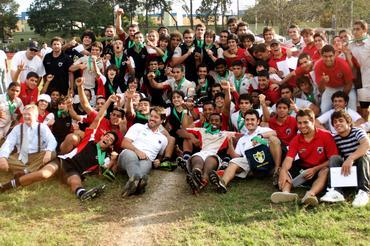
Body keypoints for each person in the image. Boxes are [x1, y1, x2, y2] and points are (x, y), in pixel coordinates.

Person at [271, 109, 338, 206]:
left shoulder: (326, 135)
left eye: (305, 122)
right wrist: (283, 171)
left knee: (325, 171)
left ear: (313, 121)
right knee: (286, 170)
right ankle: (285, 193)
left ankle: (310, 195)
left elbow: (333, 159)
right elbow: (289, 158)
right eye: (299, 123)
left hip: (319, 169)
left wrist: (314, 169)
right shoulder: (296, 139)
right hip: (304, 168)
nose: (302, 126)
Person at [59, 95, 120, 201]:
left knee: (75, 181)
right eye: (107, 136)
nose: (108, 139)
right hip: (66, 160)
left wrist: (113, 161)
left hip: (76, 171)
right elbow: (97, 118)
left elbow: (105, 175)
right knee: (43, 173)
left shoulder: (105, 156)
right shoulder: (91, 140)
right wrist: (109, 101)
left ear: (111, 145)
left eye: (110, 140)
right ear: (102, 136)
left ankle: (82, 193)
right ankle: (21, 178)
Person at [209, 109, 281, 193]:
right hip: (252, 164)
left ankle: (277, 170)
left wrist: (260, 137)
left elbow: (275, 133)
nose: (249, 122)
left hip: (268, 161)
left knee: (274, 139)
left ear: (258, 121)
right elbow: (236, 157)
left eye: (252, 119)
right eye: (247, 120)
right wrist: (230, 144)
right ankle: (222, 184)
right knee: (233, 162)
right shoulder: (242, 139)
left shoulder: (263, 130)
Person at [0, 104, 58, 193]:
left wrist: (48, 152)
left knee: (53, 153)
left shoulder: (42, 127)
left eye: (29, 114)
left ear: (35, 116)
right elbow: (8, 143)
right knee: (3, 158)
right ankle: (29, 171)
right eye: (24, 114)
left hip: (38, 155)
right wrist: (3, 157)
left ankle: (23, 172)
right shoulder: (17, 128)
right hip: (21, 156)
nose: (26, 116)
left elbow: (52, 141)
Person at [319, 110, 369, 207]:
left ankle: (363, 192)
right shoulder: (335, 138)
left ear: (348, 122)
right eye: (335, 122)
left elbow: (366, 145)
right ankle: (336, 191)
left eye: (341, 121)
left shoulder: (357, 131)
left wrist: (350, 158)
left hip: (364, 165)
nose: (337, 123)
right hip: (349, 170)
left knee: (363, 157)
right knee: (334, 158)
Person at [118, 106, 168, 197]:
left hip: (146, 159)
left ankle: (135, 185)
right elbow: (124, 143)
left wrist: (159, 160)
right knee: (131, 156)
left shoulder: (163, 139)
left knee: (146, 164)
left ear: (162, 121)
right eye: (151, 116)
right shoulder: (137, 126)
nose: (152, 118)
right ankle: (138, 182)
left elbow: (160, 155)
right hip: (129, 154)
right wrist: (137, 151)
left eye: (156, 117)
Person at [314, 44, 356, 113]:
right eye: (325, 56)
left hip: (345, 87)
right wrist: (322, 81)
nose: (328, 59)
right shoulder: (318, 66)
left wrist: (341, 98)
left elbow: (349, 83)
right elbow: (321, 90)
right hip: (329, 88)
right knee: (324, 110)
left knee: (352, 109)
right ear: (321, 56)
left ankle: (354, 123)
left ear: (335, 55)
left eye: (330, 56)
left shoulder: (343, 64)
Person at [349, 20, 370, 119]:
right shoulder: (351, 45)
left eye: (358, 29)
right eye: (354, 29)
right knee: (360, 110)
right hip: (357, 81)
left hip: (368, 80)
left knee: (365, 110)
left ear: (365, 29)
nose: (355, 32)